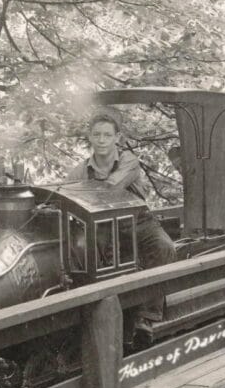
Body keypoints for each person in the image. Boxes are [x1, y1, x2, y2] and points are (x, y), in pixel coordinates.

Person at [68, 113, 177, 333]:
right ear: (90, 137)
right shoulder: (80, 170)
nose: (101, 140)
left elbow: (112, 187)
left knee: (164, 247)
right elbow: (66, 195)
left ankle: (148, 314)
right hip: (106, 227)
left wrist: (81, 192)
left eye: (107, 135)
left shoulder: (129, 161)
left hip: (138, 221)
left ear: (117, 137)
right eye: (96, 134)